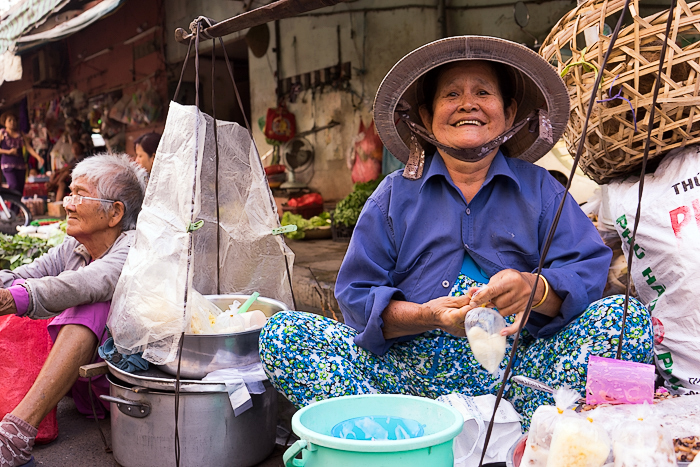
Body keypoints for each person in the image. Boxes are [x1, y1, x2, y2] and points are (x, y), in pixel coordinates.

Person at [260, 36, 653, 427]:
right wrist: (428, 315)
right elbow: (356, 298)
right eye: (451, 95)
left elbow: (588, 271)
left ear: (509, 111)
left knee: (624, 319)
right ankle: (408, 436)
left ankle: (532, 432)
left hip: (521, 374)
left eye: (483, 92)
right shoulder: (392, 196)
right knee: (283, 333)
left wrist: (537, 290)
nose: (468, 104)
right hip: (406, 379)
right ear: (428, 115)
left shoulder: (541, 189)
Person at [0, 154, 147, 467]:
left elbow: (86, 283)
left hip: (123, 388)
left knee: (89, 302)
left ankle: (15, 436)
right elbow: (26, 275)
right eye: (70, 193)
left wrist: (13, 299)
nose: (67, 203)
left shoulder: (136, 247)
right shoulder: (75, 247)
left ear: (115, 212)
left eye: (80, 195)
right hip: (80, 390)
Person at [0, 113, 44, 195]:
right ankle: (12, 207)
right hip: (8, 166)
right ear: (4, 122)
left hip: (20, 166)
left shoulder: (20, 133)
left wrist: (38, 157)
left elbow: (28, 147)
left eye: (14, 120)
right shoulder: (2, 133)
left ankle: (16, 207)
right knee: (14, 185)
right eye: (10, 120)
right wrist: (8, 152)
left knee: (20, 190)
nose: (12, 122)